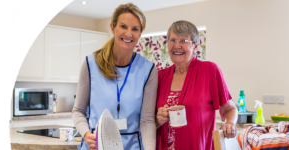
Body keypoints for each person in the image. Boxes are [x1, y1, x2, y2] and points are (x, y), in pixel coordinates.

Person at [72, 3, 157, 150]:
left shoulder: (148, 70)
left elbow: (147, 120)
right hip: (97, 146)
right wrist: (86, 134)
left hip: (133, 146)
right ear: (113, 27)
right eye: (123, 26)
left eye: (135, 29)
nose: (129, 34)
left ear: (140, 33)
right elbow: (78, 111)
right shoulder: (90, 64)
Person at [155, 20, 238, 150]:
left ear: (195, 46)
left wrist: (230, 123)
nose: (177, 45)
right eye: (173, 40)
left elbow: (229, 109)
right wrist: (157, 119)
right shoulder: (159, 76)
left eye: (183, 41)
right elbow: (147, 122)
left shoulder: (210, 70)